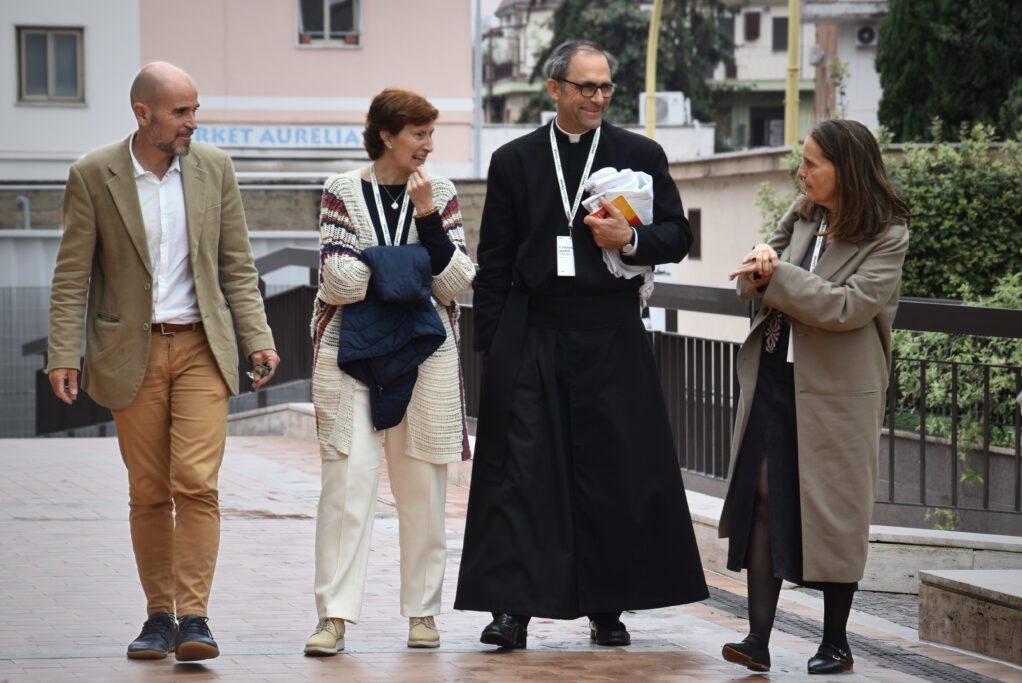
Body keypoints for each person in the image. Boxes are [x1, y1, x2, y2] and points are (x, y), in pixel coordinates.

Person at [454, 40, 709, 648]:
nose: (597, 98)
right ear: (555, 89)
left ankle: (607, 605)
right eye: (585, 87)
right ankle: (512, 608)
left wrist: (630, 239)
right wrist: (494, 346)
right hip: (534, 328)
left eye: (605, 88)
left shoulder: (638, 153)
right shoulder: (515, 159)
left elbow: (676, 234)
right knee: (522, 472)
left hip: (610, 331)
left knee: (611, 471)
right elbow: (494, 262)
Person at [46, 62, 280, 662]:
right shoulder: (94, 174)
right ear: (142, 113)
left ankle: (195, 618)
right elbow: (72, 274)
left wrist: (257, 337)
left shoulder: (213, 169)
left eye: (195, 110)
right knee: (149, 490)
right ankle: (158, 617)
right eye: (181, 112)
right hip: (131, 351)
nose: (192, 123)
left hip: (203, 345)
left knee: (197, 484)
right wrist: (62, 353)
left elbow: (236, 263)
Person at [718, 119, 910, 674]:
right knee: (760, 499)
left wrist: (773, 276)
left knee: (834, 514)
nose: (800, 172)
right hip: (775, 379)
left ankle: (835, 643)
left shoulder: (888, 234)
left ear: (845, 169)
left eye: (811, 164)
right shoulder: (803, 214)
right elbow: (747, 280)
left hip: (838, 396)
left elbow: (847, 308)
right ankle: (757, 638)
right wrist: (759, 264)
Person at [304, 88, 475, 655]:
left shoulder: (442, 195)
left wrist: (425, 223)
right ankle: (333, 617)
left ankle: (423, 613)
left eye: (431, 133)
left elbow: (455, 284)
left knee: (423, 488)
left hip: (426, 355)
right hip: (349, 352)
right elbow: (338, 281)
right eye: (418, 134)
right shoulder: (340, 190)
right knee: (347, 485)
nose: (429, 145)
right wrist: (415, 272)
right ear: (387, 135)